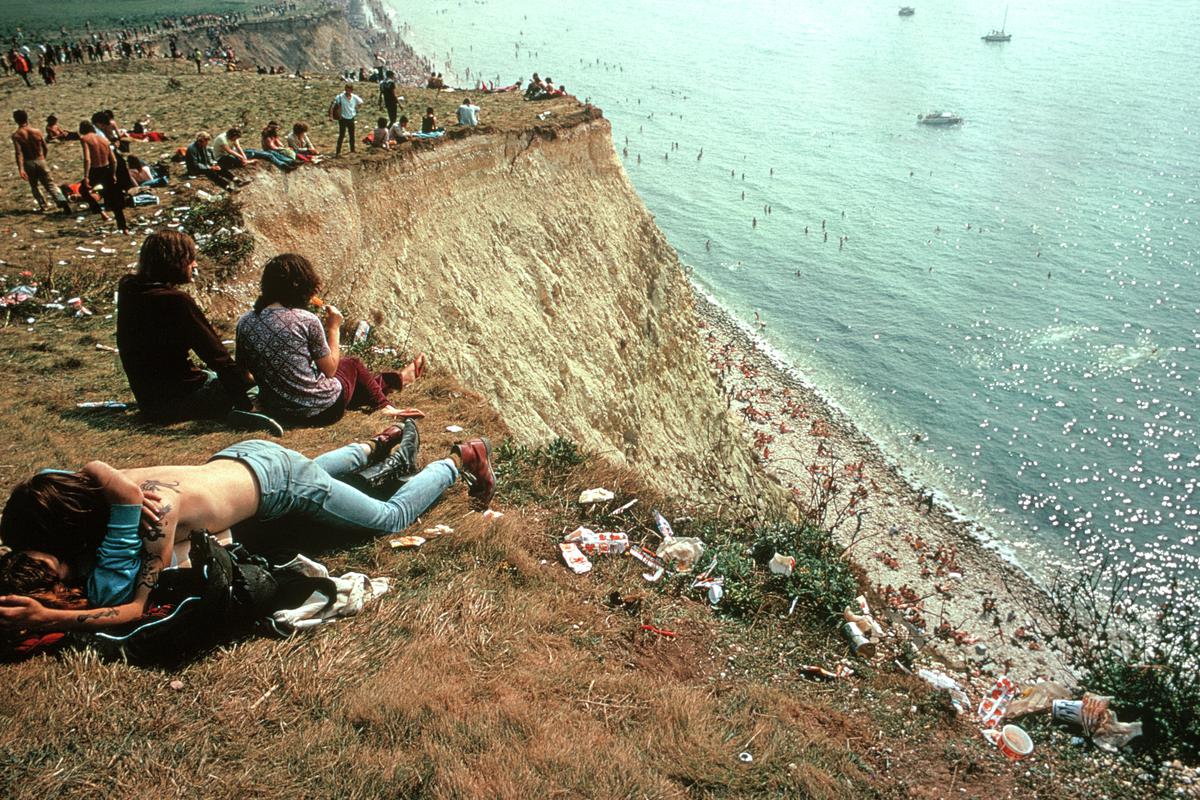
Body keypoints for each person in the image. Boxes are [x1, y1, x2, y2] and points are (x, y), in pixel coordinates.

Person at [0, 431, 495, 632]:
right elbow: (46, 474)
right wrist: (96, 465)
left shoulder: (152, 521)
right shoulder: (108, 491)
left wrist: (49, 616)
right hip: (243, 455)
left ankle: (458, 461)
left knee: (386, 519)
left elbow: (132, 609)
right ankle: (365, 448)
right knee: (308, 476)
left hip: (279, 482)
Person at [236, 253, 426, 426]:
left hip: (277, 411)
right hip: (322, 412)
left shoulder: (244, 321)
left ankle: (397, 379)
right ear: (302, 286)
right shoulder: (305, 319)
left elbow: (244, 374)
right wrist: (334, 327)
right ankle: (385, 405)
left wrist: (278, 375)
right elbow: (330, 370)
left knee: (346, 379)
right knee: (352, 364)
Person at [115, 230, 272, 429]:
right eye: (190, 259)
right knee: (261, 383)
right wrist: (245, 405)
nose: (194, 264)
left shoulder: (129, 288)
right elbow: (218, 358)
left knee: (213, 376)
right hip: (181, 401)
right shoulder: (176, 301)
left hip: (150, 402)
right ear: (175, 261)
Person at [11, 110, 71, 214]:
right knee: (50, 184)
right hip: (40, 160)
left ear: (16, 120)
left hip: (28, 162)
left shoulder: (17, 135)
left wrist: (20, 168)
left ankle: (44, 206)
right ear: (26, 118)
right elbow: (45, 147)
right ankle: (62, 201)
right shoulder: (37, 131)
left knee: (34, 185)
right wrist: (43, 158)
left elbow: (19, 153)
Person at [79, 120, 128, 232]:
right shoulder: (104, 140)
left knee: (84, 190)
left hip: (95, 170)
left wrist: (86, 176)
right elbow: (114, 160)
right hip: (107, 169)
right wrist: (114, 174)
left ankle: (101, 212)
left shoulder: (85, 139)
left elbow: (87, 158)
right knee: (115, 200)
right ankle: (124, 227)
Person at [329, 84, 364, 156]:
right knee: (342, 134)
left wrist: (356, 109)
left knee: (352, 134)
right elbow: (333, 106)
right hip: (343, 118)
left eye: (349, 90)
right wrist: (331, 116)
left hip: (351, 117)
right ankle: (338, 151)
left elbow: (361, 102)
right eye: (347, 89)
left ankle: (352, 149)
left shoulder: (354, 97)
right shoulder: (340, 97)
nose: (348, 91)